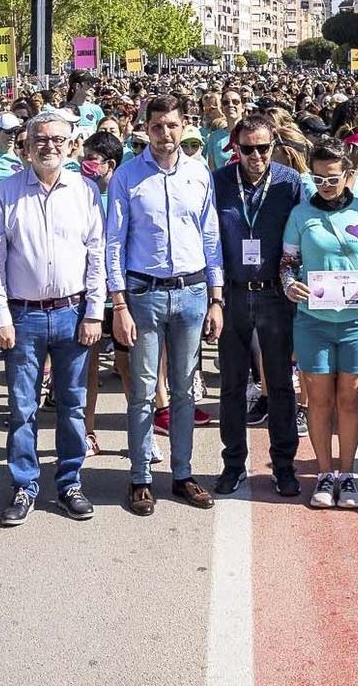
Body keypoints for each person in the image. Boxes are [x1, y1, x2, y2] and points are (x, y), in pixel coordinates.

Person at [0, 109, 105, 526]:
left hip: (72, 314)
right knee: (22, 407)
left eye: (57, 140)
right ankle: (24, 484)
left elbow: (96, 256)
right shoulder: (6, 192)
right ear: (27, 145)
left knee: (71, 405)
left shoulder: (85, 192)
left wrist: (94, 312)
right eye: (40, 139)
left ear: (71, 145)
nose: (48, 146)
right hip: (23, 317)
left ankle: (69, 481)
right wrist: (0, 315)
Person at [106, 94, 224, 516]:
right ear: (146, 128)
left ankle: (183, 474)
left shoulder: (199, 175)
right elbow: (113, 243)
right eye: (157, 126)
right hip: (144, 294)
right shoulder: (127, 176)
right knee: (141, 390)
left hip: (192, 294)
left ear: (183, 125)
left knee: (185, 391)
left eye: (172, 125)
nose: (165, 134)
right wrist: (118, 303)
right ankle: (140, 477)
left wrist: (216, 297)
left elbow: (211, 238)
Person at [282, 141, 358, 509]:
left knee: (350, 399)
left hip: (357, 322)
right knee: (320, 401)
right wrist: (290, 285)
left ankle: (347, 474)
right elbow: (287, 263)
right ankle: (325, 474)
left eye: (333, 177)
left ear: (347, 175)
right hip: (313, 321)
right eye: (318, 177)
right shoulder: (300, 214)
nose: (326, 184)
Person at [213, 114, 306, 498]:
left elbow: (302, 238)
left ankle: (283, 466)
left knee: (281, 385)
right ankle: (233, 464)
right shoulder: (218, 182)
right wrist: (213, 297)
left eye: (263, 148)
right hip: (234, 293)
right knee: (233, 385)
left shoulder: (289, 183)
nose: (255, 156)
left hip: (274, 294)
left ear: (274, 146)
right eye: (247, 148)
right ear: (235, 147)